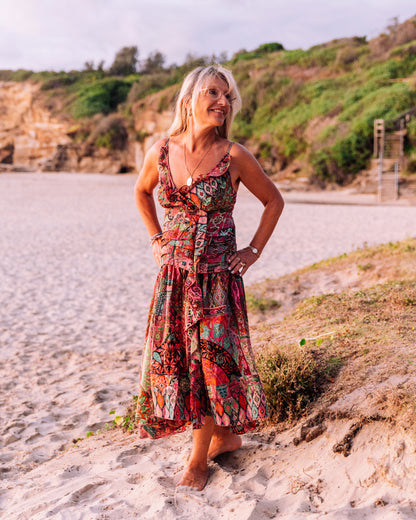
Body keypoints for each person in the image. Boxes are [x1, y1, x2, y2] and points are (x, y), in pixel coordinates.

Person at [134, 64, 284, 491]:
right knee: (182, 363)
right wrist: (155, 238)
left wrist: (252, 251)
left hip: (217, 279)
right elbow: (142, 192)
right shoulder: (160, 151)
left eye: (228, 95)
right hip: (174, 278)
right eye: (214, 93)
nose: (223, 102)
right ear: (190, 99)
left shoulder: (235, 155)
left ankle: (197, 460)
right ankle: (223, 436)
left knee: (209, 365)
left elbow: (274, 201)